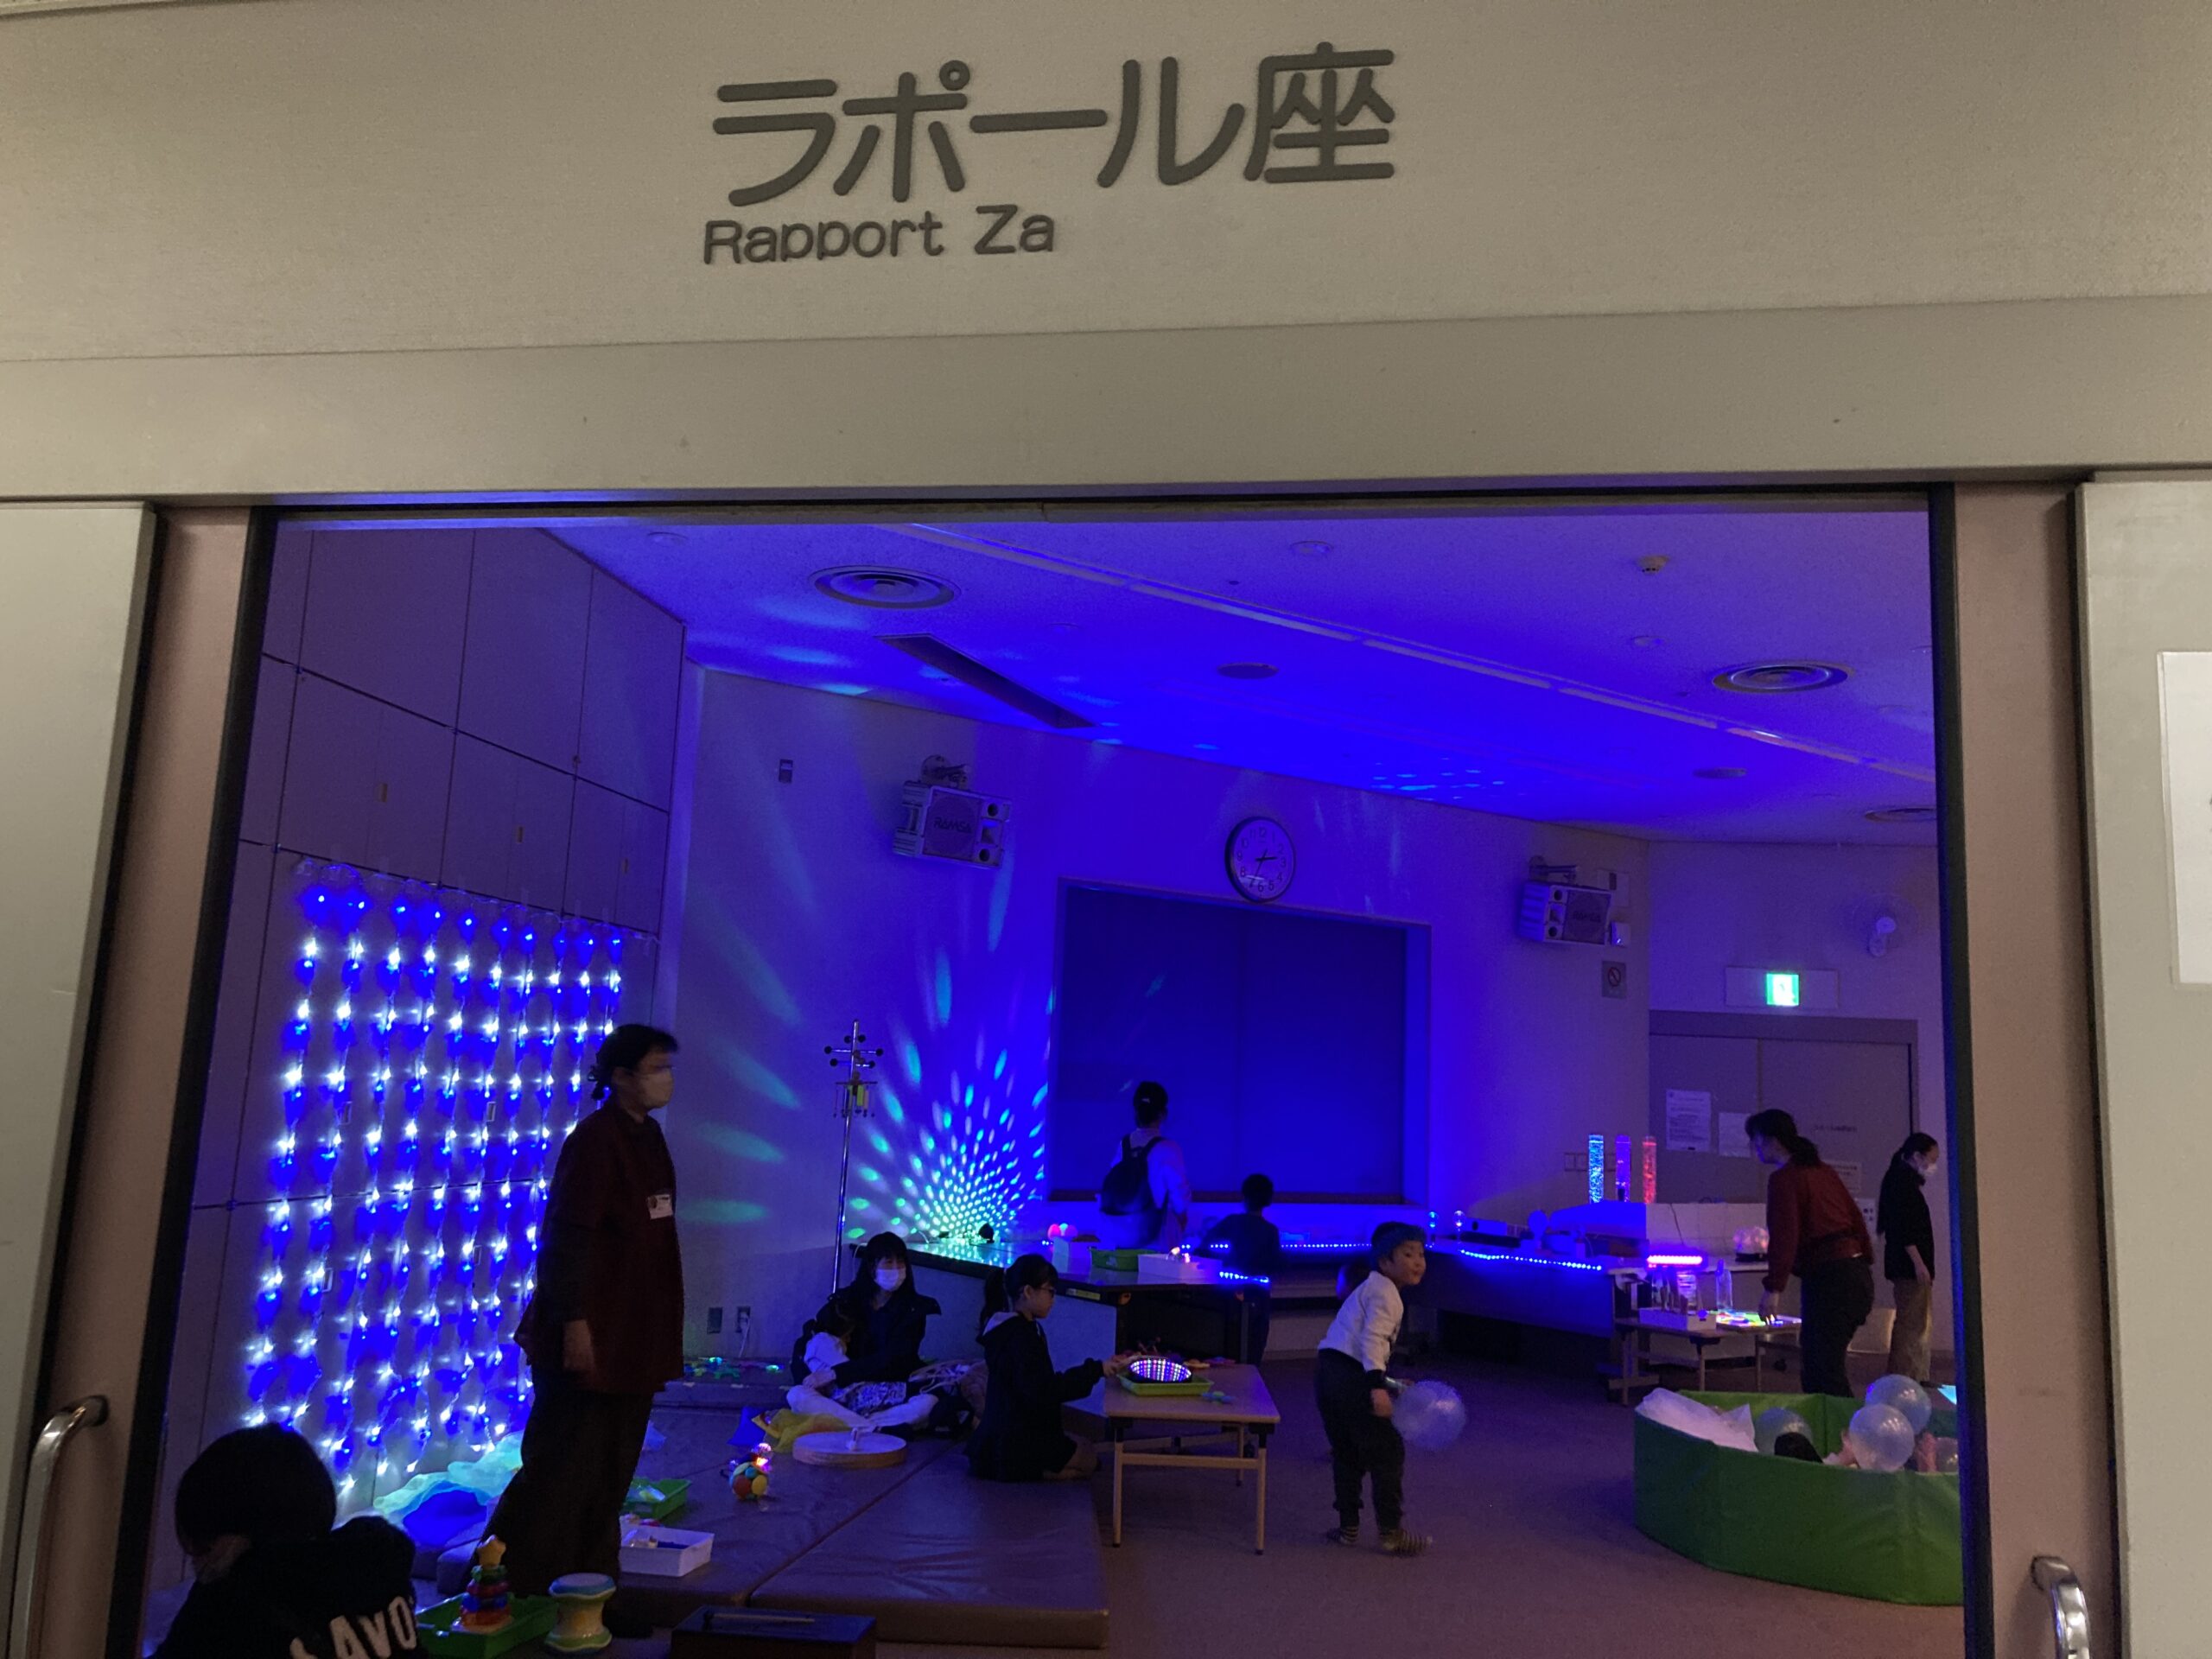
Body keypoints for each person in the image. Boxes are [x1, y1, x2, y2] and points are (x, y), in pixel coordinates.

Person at [489, 1024, 683, 1618]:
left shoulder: (649, 1137)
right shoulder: (595, 1141)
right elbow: (566, 1239)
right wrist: (574, 1321)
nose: (666, 1079)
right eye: (655, 1068)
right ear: (620, 1077)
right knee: (563, 1466)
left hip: (634, 1335)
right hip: (591, 1334)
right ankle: (516, 1587)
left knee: (611, 1472)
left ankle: (594, 1592)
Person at [151, 1424, 418, 1659]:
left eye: (204, 1548)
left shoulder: (227, 1606)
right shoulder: (379, 1573)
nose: (199, 1567)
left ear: (247, 1535)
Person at [1315, 1221, 1430, 1556]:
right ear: (1384, 1261)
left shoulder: (1372, 1287)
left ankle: (1347, 1527)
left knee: (1347, 1452)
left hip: (1328, 1373)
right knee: (1388, 1451)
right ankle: (1391, 1533)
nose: (1418, 1262)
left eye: (1421, 1254)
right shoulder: (1387, 1294)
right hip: (1350, 1379)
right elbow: (1373, 1341)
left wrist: (1388, 1381)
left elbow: (1354, 1348)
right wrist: (1378, 1388)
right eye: (1407, 1254)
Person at [1745, 1107, 1876, 1398]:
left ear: (1772, 1140)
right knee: (1827, 1363)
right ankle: (1841, 1422)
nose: (1755, 1148)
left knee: (1821, 1368)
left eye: (1756, 1140)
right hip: (1856, 1275)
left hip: (1830, 1280)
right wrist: (1865, 1260)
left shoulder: (1784, 1179)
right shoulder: (1823, 1171)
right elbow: (1856, 1219)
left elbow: (1785, 1234)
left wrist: (1774, 1288)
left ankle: (1842, 1425)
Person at [966, 1253, 1130, 1480]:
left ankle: (1032, 1467)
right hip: (1018, 1440)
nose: (1053, 1299)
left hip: (1005, 1435)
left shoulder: (1008, 1328)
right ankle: (1032, 1471)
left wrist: (1098, 1369)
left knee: (1085, 1447)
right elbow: (1046, 1390)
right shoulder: (1021, 1337)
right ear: (1027, 1291)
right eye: (1050, 1292)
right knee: (1090, 1461)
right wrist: (1097, 1370)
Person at [794, 1231, 942, 1390]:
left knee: (926, 1402)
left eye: (900, 1262)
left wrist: (837, 1374)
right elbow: (812, 1336)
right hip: (844, 1381)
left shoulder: (913, 1309)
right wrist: (807, 1380)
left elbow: (896, 1358)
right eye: (888, 1262)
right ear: (872, 1267)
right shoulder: (847, 1300)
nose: (896, 1269)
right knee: (798, 1394)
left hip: (888, 1383)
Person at [1096, 1079, 1191, 1250]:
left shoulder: (1123, 1145)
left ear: (1136, 1112)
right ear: (1162, 1114)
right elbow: (1180, 1196)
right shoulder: (1168, 1149)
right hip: (1155, 1236)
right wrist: (1182, 1219)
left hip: (1120, 1233)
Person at [1200, 1173, 1285, 1362]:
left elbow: (1204, 1247)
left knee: (1229, 1341)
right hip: (1259, 1294)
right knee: (1255, 1344)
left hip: (1230, 1291)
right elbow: (1276, 1263)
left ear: (1244, 1196)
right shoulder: (1270, 1231)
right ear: (1269, 1199)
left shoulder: (1232, 1222)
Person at [1877, 1132, 1942, 1381]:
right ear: (1916, 1156)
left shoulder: (1899, 1181)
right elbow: (1904, 1230)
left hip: (1905, 1265)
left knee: (1916, 1321)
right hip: (1909, 1266)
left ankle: (1915, 1374)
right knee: (1913, 1323)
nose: (1932, 1166)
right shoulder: (1902, 1185)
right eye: (1931, 1159)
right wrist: (1919, 1264)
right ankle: (1907, 1375)